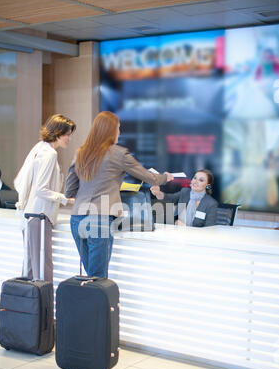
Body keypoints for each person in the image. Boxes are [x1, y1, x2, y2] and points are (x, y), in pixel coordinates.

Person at [65, 110, 173, 278]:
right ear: (111, 131)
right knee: (98, 277)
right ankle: (98, 304)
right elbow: (150, 177)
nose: (119, 132)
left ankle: (90, 302)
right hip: (99, 219)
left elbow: (69, 189)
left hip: (76, 219)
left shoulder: (80, 153)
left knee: (91, 275)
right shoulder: (119, 154)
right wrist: (166, 177)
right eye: (118, 128)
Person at [14, 114, 76, 283]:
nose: (69, 139)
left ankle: (30, 307)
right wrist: (65, 199)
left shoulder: (40, 148)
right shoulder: (49, 154)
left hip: (32, 215)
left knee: (31, 268)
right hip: (40, 217)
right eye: (67, 134)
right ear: (58, 133)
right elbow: (41, 189)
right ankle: (44, 308)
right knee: (42, 268)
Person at [151, 169, 218, 227]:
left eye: (201, 180)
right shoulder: (185, 192)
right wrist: (158, 193)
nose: (195, 181)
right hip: (178, 235)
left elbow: (209, 230)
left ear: (207, 186)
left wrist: (186, 227)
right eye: (195, 178)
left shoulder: (211, 204)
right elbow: (169, 198)